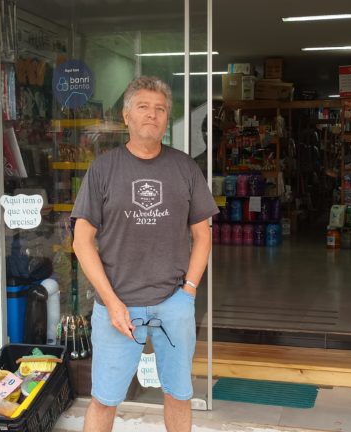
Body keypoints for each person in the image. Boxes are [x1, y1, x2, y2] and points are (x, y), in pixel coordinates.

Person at [71, 76, 218, 432]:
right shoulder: (103, 169)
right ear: (126, 116)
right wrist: (112, 301)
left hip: (173, 303)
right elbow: (81, 241)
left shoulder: (185, 168)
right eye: (143, 107)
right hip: (116, 307)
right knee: (105, 399)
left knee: (179, 394)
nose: (152, 115)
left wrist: (190, 292)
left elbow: (203, 235)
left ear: (167, 118)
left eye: (160, 109)